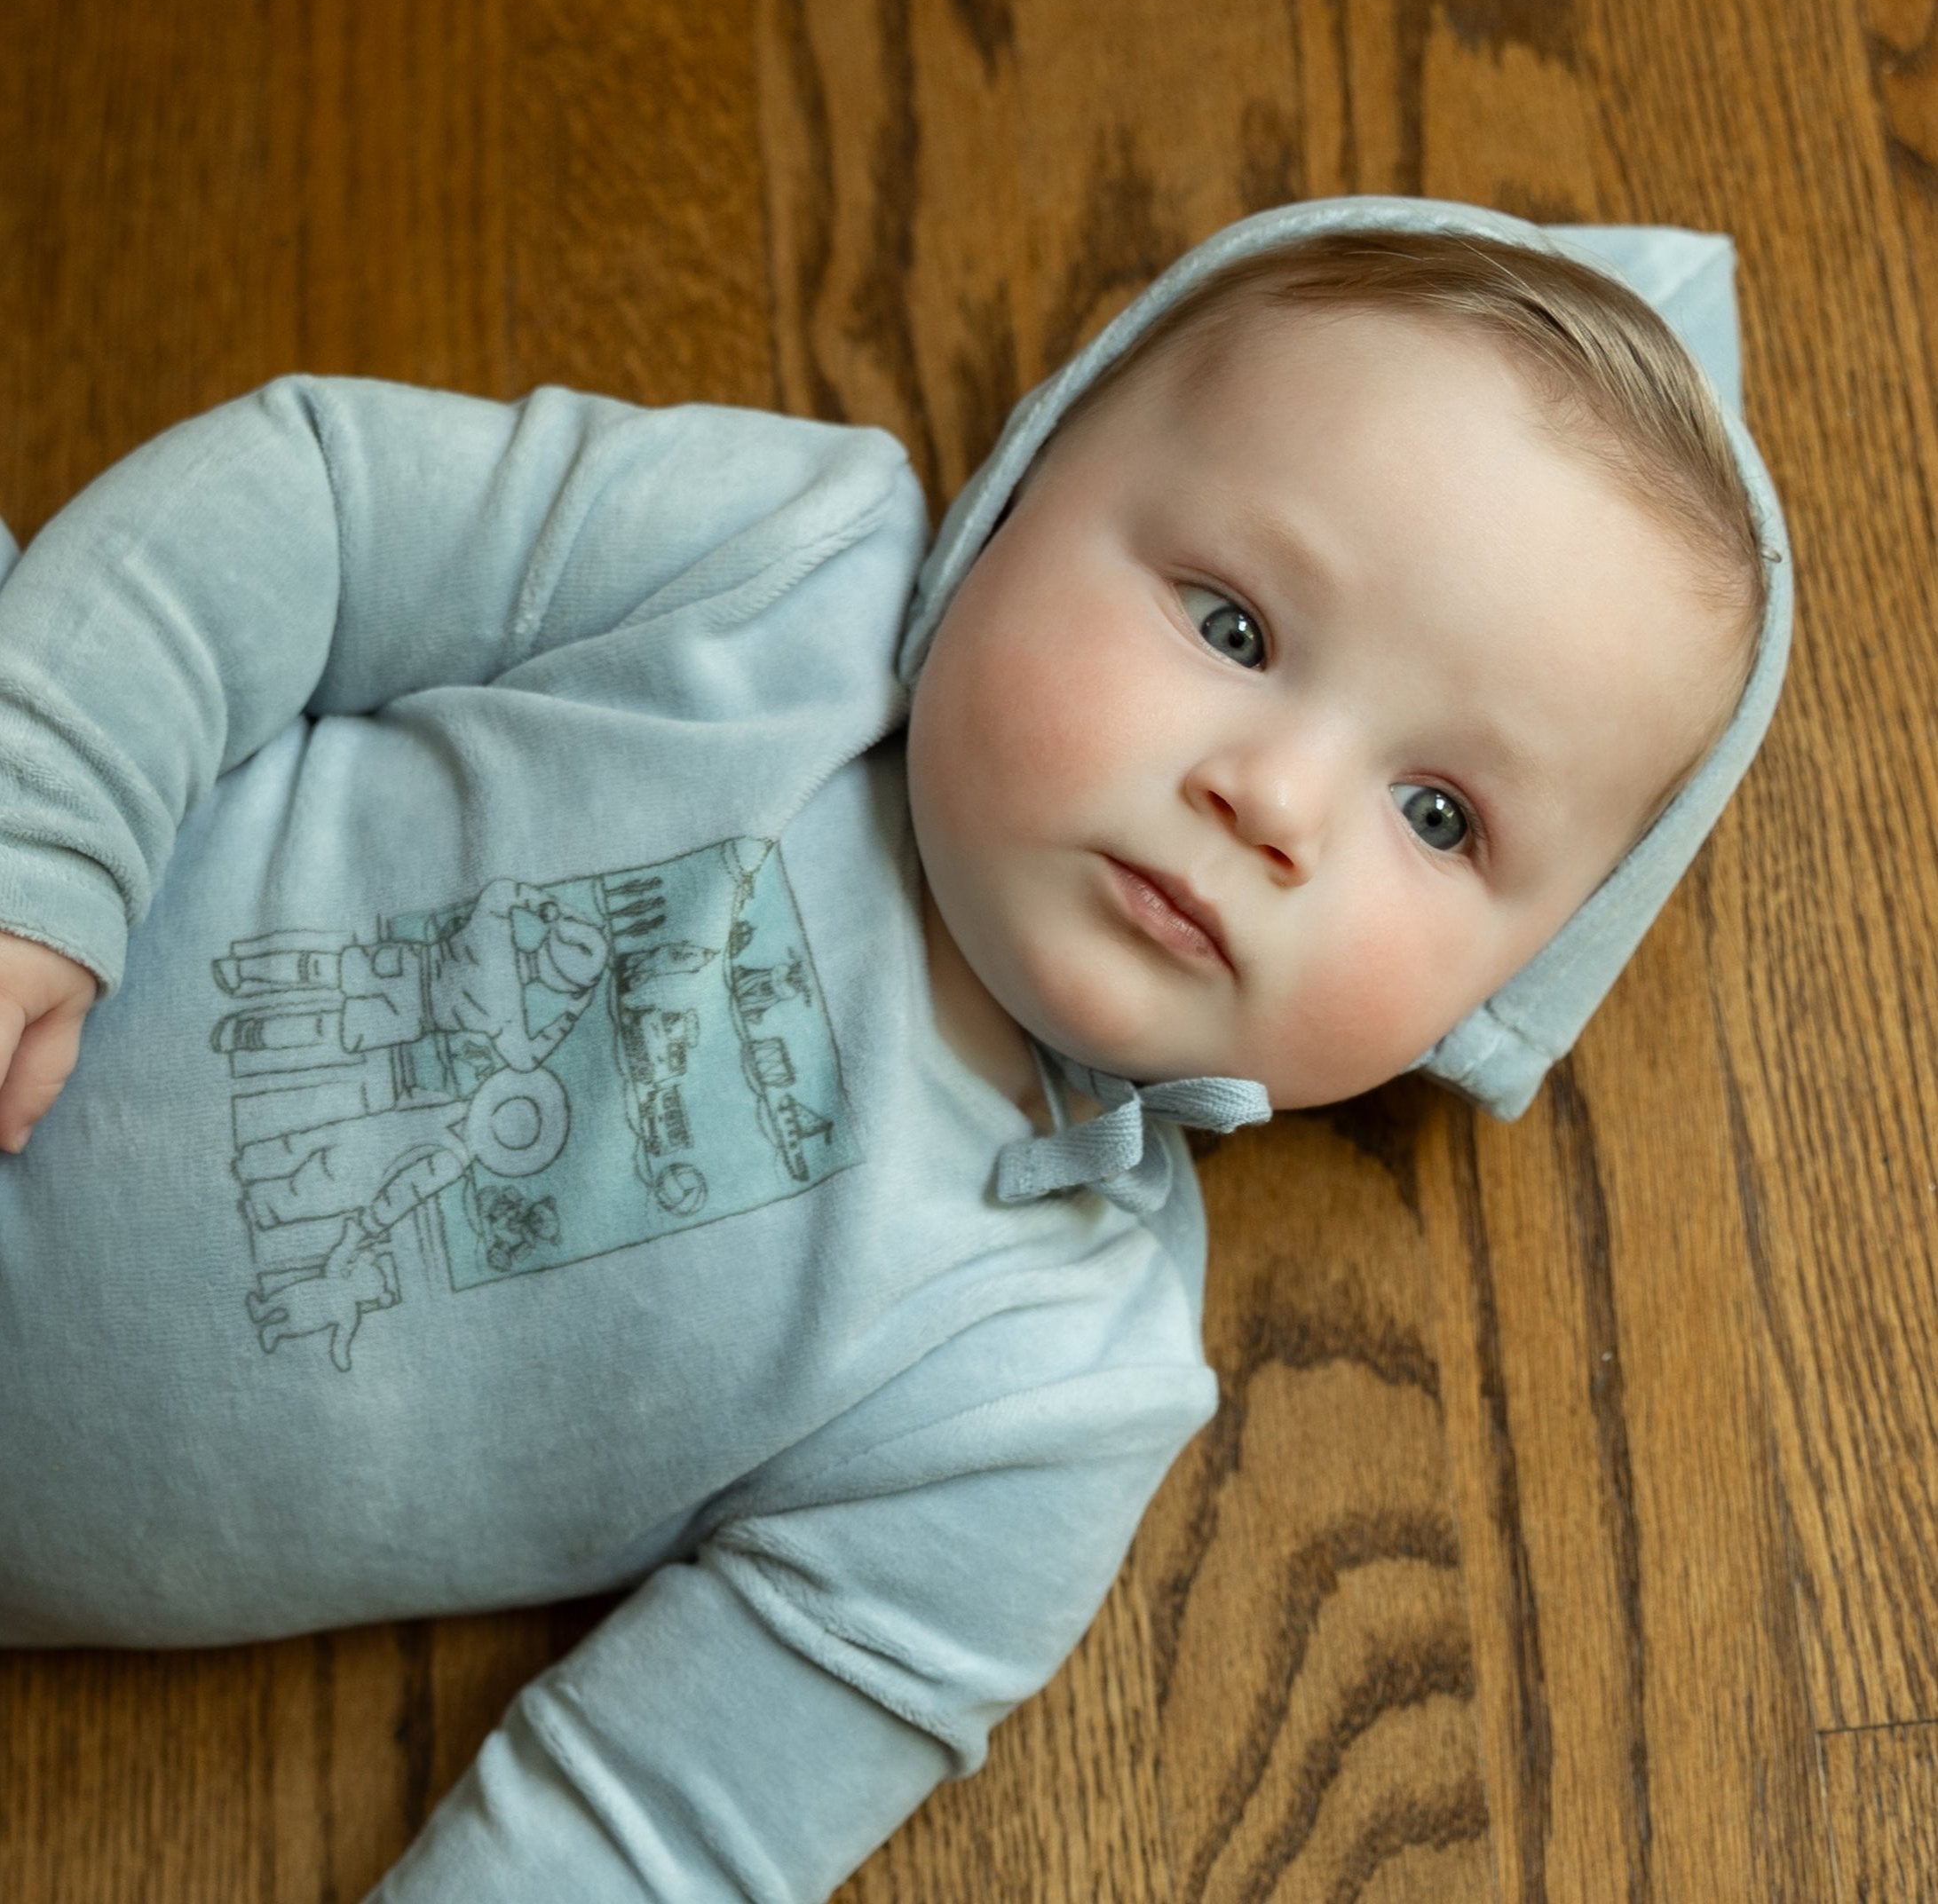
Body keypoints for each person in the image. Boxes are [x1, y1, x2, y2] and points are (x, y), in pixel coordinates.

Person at [0, 196, 1789, 1900]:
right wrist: (40, 830)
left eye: (1442, 815)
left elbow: (665, 1826)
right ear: (1025, 488)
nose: (1277, 802)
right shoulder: (779, 567)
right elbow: (314, 507)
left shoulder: (1051, 1392)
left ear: (1505, 994)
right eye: (1231, 625)